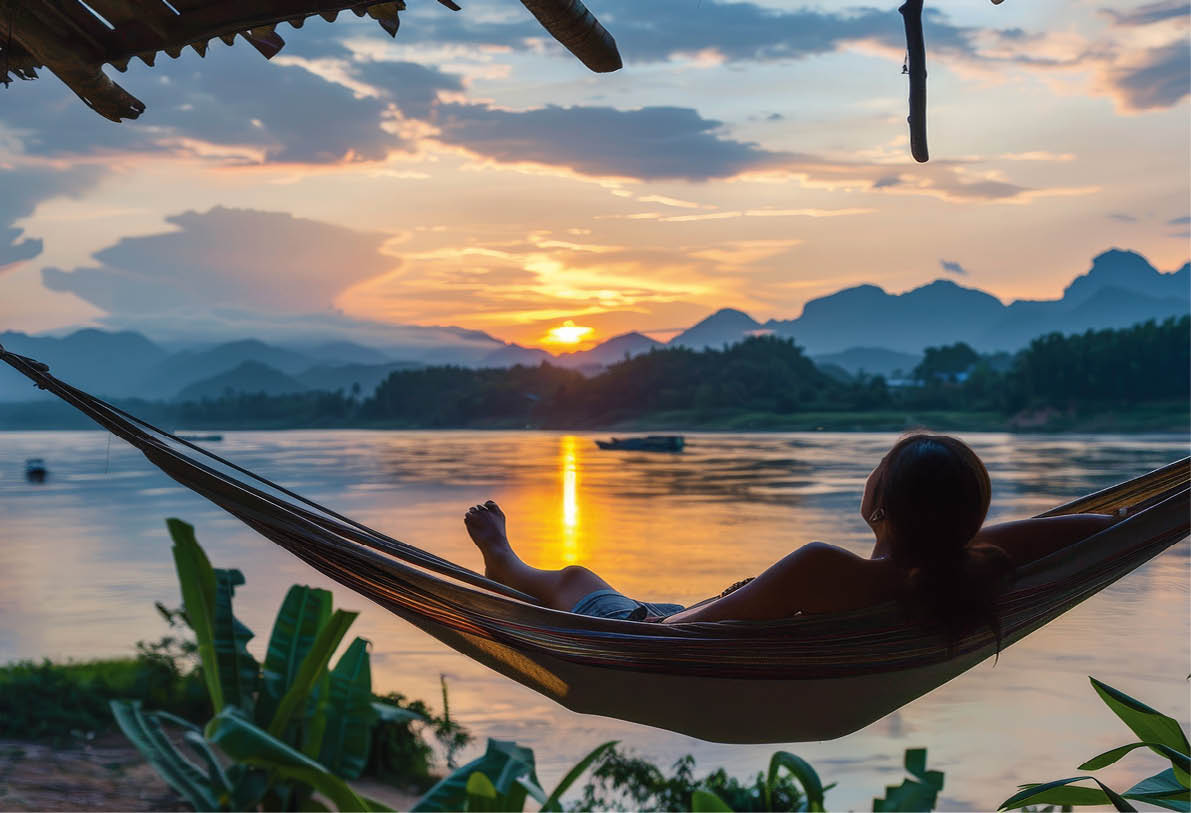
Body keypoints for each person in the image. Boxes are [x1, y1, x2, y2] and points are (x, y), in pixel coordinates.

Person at [464, 433, 1122, 639]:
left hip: (652, 637)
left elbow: (683, 635)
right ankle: (512, 565)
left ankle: (504, 560)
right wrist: (1132, 519)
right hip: (726, 643)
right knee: (588, 582)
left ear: (878, 504)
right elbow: (1093, 529)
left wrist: (637, 624)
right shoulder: (962, 569)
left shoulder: (824, 567)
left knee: (576, 579)